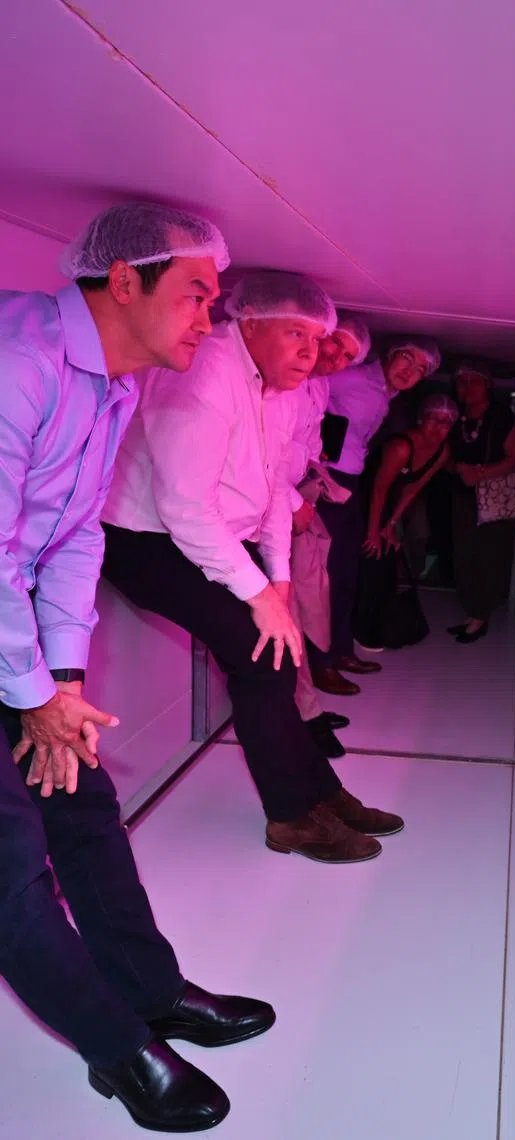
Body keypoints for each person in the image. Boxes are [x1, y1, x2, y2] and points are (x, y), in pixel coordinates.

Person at [0, 202, 273, 1132]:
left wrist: (62, 686)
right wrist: (33, 694)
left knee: (81, 802)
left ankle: (151, 995)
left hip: (13, 634)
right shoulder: (21, 363)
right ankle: (121, 1052)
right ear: (126, 282)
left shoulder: (112, 385)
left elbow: (72, 539)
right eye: (197, 296)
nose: (210, 319)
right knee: (9, 869)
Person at [101, 270, 403, 864]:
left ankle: (321, 793)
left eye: (317, 340)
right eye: (297, 334)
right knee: (261, 657)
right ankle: (292, 816)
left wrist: (279, 582)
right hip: (145, 539)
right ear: (251, 321)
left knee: (276, 654)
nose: (311, 353)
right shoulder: (207, 369)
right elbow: (185, 507)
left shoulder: (279, 390)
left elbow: (271, 495)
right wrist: (258, 595)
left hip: (205, 538)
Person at [311, 334, 440, 693]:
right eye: (406, 359)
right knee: (327, 576)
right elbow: (309, 386)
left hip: (349, 483)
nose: (409, 371)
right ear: (389, 353)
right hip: (328, 480)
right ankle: (319, 664)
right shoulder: (353, 378)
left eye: (420, 370)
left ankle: (340, 651)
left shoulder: (386, 395)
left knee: (347, 574)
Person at [285, 312, 371, 756]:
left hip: (298, 505)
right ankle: (300, 715)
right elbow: (262, 456)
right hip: (274, 514)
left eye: (347, 356)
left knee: (303, 605)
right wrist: (294, 503)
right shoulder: (282, 380)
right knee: (287, 614)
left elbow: (305, 448)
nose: (336, 357)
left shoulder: (316, 387)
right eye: (333, 344)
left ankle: (306, 709)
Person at [355, 394, 458, 649]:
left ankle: (376, 623)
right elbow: (378, 489)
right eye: (433, 419)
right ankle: (357, 630)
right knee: (368, 560)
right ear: (421, 419)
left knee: (387, 562)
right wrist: (372, 531)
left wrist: (390, 526)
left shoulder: (442, 451)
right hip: (362, 499)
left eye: (446, 422)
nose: (438, 427)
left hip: (388, 503)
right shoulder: (401, 447)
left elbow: (412, 489)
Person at [448, 360, 515, 643]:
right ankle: (473, 612)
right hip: (464, 496)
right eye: (461, 382)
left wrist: (478, 473)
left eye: (473, 381)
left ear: (487, 385)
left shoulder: (502, 417)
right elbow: (447, 457)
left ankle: (481, 615)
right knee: (464, 554)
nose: (466, 387)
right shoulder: (455, 417)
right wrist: (459, 470)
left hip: (494, 499)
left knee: (491, 555)